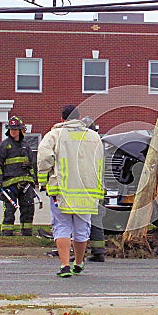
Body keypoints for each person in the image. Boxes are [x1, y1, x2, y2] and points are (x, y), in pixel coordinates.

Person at [37, 105, 104, 277]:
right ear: (79, 118)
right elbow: (100, 163)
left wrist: (42, 180)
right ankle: (79, 263)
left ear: (62, 119)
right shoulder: (94, 137)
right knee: (82, 229)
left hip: (62, 191)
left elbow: (44, 158)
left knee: (62, 227)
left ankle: (65, 265)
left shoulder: (55, 135)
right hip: (87, 191)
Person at [0, 116, 36, 236]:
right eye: (11, 129)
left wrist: (33, 181)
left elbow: (31, 165)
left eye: (16, 129)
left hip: (26, 183)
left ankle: (26, 233)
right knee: (9, 210)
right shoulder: (4, 145)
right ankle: (7, 233)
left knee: (28, 208)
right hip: (9, 184)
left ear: (21, 130)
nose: (13, 131)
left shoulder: (26, 146)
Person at [81, 116, 106, 263]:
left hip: (85, 189)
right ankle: (98, 252)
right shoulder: (98, 144)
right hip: (98, 190)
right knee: (96, 222)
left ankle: (81, 253)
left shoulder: (84, 146)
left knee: (81, 222)